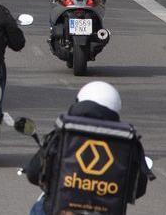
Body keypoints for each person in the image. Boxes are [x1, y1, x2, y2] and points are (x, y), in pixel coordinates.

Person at [24, 82, 151, 215]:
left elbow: (33, 173)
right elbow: (138, 190)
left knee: (39, 208)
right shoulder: (125, 141)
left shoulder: (66, 132)